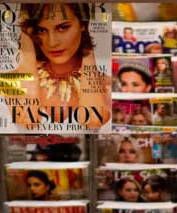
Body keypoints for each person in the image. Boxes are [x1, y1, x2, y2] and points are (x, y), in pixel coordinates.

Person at [19, 3, 110, 132]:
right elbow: (28, 119)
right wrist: (26, 45)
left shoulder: (106, 83)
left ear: (83, 24)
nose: (52, 42)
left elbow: (94, 120)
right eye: (41, 30)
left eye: (63, 28)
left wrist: (87, 49)